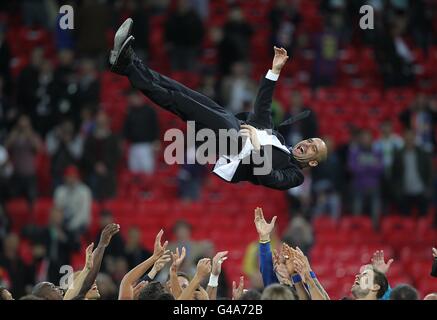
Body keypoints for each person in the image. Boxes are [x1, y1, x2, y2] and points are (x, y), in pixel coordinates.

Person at [109, 18, 328, 191]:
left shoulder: (295, 175)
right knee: (181, 92)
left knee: (182, 102)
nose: (307, 144)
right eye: (309, 141)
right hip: (233, 126)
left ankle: (126, 66)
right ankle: (130, 61)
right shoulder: (279, 139)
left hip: (235, 147)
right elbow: (262, 110)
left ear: (314, 162)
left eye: (313, 148)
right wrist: (275, 71)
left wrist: (256, 145)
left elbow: (269, 177)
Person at [391, 130, 433, 217]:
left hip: (421, 191)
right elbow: (394, 175)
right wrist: (397, 191)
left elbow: (430, 172)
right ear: (404, 139)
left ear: (415, 139)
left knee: (423, 219)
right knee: (406, 221)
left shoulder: (423, 153)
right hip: (404, 192)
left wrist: (428, 188)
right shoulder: (398, 154)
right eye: (407, 138)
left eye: (411, 138)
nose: (409, 140)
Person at [82, 110, 121, 199]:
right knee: (93, 199)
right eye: (99, 121)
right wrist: (96, 165)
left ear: (107, 122)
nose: (101, 123)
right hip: (92, 172)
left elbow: (116, 155)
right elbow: (86, 155)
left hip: (109, 173)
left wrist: (105, 165)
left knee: (109, 199)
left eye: (103, 121)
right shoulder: (90, 138)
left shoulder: (113, 138)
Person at [123, 89, 160, 174]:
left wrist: (156, 140)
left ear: (139, 97)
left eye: (133, 97)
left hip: (146, 146)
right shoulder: (130, 112)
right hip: (133, 146)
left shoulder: (149, 111)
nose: (132, 100)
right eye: (130, 98)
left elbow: (155, 127)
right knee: (133, 172)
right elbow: (126, 129)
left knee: (148, 172)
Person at [54, 165, 92, 235]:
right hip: (64, 223)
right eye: (69, 176)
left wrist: (71, 226)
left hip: (80, 225)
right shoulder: (60, 191)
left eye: (73, 176)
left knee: (74, 233)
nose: (71, 179)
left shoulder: (84, 191)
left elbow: (83, 214)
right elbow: (57, 211)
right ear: (65, 177)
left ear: (77, 177)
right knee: (54, 231)